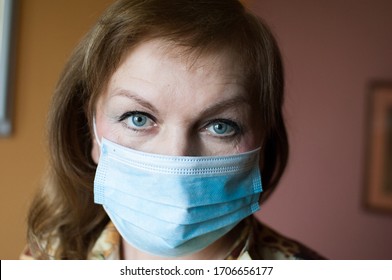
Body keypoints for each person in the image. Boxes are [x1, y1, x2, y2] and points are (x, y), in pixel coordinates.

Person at [21, 0, 323, 260]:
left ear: (263, 140)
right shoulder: (47, 258)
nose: (178, 160)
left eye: (220, 126)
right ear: (93, 133)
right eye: (138, 118)